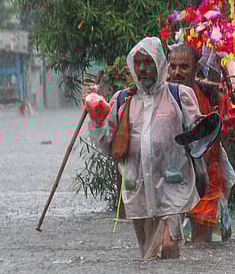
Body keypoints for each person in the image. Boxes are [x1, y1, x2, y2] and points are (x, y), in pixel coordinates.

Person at [83, 37, 202, 260]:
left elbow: (197, 136)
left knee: (167, 247)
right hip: (137, 188)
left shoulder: (180, 96)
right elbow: (108, 145)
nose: (143, 69)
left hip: (172, 187)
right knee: (148, 255)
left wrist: (202, 127)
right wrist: (96, 115)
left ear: (159, 63)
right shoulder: (122, 100)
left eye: (148, 63)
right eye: (138, 63)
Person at [167, 44, 235, 245]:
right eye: (173, 67)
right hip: (170, 181)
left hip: (205, 180)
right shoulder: (162, 96)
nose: (177, 72)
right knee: (169, 244)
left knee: (201, 247)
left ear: (196, 68)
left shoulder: (208, 96)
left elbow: (216, 140)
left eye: (184, 67)